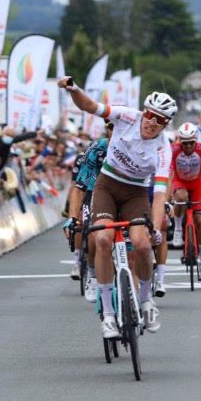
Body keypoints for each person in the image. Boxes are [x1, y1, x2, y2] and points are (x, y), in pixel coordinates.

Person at [58, 75, 175, 339]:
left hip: (135, 193)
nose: (152, 123)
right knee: (102, 239)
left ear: (166, 124)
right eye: (150, 116)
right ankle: (109, 316)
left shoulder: (163, 149)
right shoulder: (127, 117)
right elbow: (90, 106)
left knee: (143, 244)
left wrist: (155, 228)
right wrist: (73, 88)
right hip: (107, 186)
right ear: (144, 112)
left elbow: (158, 195)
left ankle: (146, 301)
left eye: (160, 120)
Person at [64, 121, 113, 302]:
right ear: (106, 129)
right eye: (111, 127)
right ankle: (92, 276)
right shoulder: (96, 149)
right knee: (92, 236)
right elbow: (78, 187)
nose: (116, 131)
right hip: (94, 193)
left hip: (121, 194)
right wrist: (72, 217)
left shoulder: (134, 145)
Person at [169, 122, 201, 282]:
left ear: (196, 140)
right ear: (180, 141)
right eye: (184, 142)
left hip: (197, 186)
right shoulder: (173, 150)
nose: (187, 146)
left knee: (200, 221)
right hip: (180, 183)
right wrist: (168, 197)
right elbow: (169, 174)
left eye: (191, 142)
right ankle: (178, 230)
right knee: (180, 197)